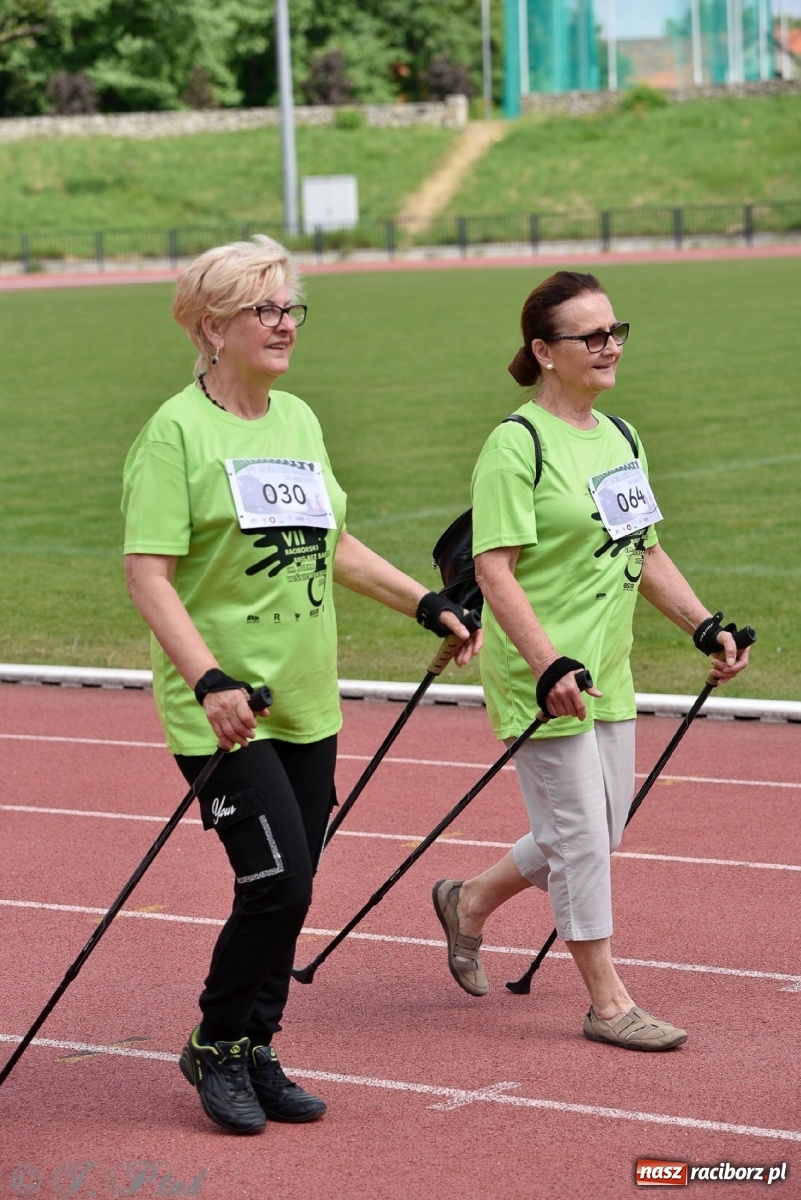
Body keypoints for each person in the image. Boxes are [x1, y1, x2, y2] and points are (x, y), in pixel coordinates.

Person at [121, 234, 480, 1135]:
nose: (285, 325)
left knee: (299, 882)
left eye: (291, 308)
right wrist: (206, 679)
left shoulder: (297, 421)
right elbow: (148, 576)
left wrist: (424, 602)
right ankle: (214, 1042)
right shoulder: (175, 433)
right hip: (225, 710)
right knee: (275, 883)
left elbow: (332, 541)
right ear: (213, 327)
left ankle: (256, 1044)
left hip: (307, 701)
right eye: (265, 309)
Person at [431, 270, 750, 1051]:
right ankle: (607, 1004)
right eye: (591, 335)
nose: (609, 346)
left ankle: (469, 900)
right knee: (578, 839)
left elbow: (645, 549)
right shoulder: (517, 444)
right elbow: (493, 569)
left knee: (597, 831)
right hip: (540, 675)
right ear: (544, 351)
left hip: (607, 668)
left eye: (614, 332)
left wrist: (703, 626)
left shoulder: (620, 437)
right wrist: (546, 664)